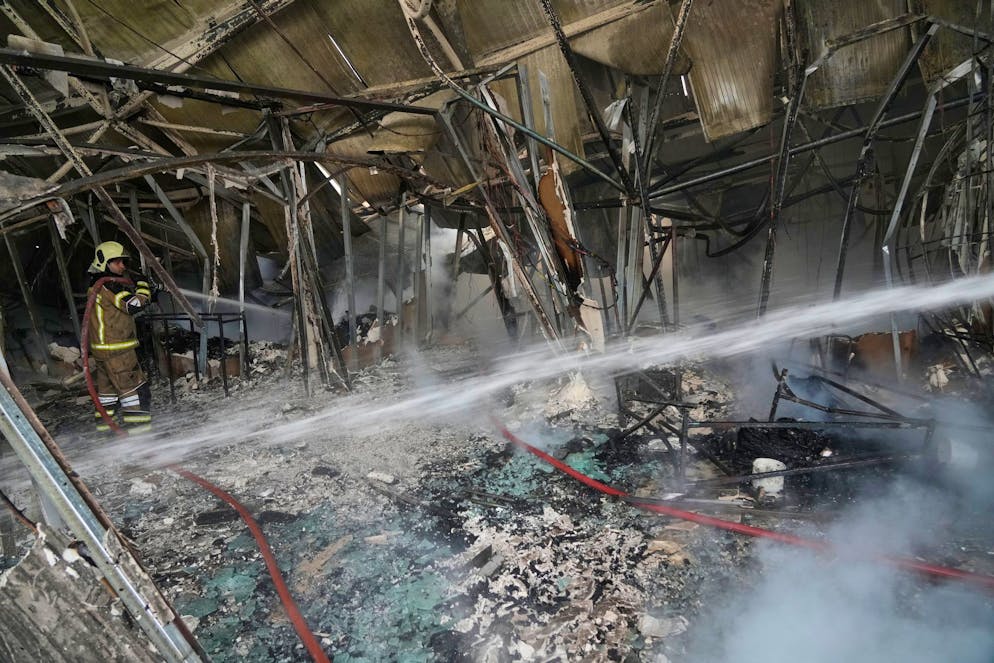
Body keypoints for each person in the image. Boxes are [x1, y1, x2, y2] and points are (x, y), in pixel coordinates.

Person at [86, 241, 158, 433]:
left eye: (122, 262)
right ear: (104, 263)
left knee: (107, 397)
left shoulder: (96, 285)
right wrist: (143, 286)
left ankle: (106, 436)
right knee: (136, 393)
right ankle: (140, 438)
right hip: (117, 351)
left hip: (103, 352)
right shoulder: (109, 285)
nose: (122, 266)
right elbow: (133, 305)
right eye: (117, 262)